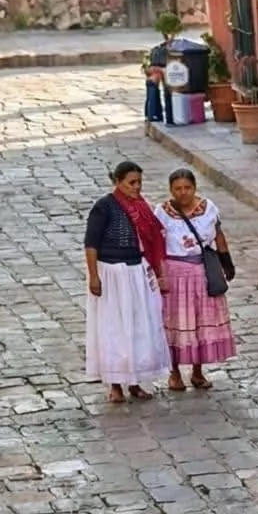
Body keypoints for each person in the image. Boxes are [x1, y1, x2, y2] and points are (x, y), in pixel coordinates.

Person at [84, 160, 170, 404]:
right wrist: (94, 276)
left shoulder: (142, 207)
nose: (136, 187)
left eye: (139, 182)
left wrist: (158, 272)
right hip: (112, 273)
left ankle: (135, 382)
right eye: (131, 183)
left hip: (136, 271)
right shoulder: (104, 207)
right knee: (114, 328)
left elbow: (153, 241)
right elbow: (91, 243)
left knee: (138, 326)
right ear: (118, 182)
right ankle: (115, 385)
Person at [156, 167, 236, 391]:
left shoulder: (208, 209)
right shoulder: (162, 212)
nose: (183, 193)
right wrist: (158, 273)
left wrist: (226, 262)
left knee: (199, 323)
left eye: (187, 188)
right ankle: (174, 373)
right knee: (175, 323)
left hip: (201, 273)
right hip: (174, 274)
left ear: (194, 187)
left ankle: (197, 372)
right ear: (171, 190)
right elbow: (156, 244)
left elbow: (219, 236)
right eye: (178, 189)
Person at [144, 13, 181, 126]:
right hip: (166, 74)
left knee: (154, 82)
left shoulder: (158, 49)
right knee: (155, 82)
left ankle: (153, 114)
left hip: (164, 73)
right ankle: (155, 114)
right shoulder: (164, 49)